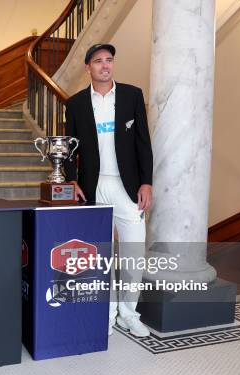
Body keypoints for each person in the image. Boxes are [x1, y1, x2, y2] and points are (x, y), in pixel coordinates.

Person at [64, 43, 153, 338]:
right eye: (98, 61)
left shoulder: (132, 96)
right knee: (101, 257)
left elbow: (143, 143)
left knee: (133, 255)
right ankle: (108, 313)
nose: (105, 66)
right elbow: (68, 148)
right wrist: (72, 179)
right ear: (88, 67)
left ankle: (129, 313)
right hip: (95, 186)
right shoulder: (75, 104)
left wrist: (147, 183)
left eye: (109, 60)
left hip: (128, 188)